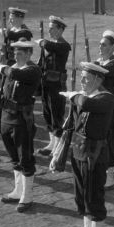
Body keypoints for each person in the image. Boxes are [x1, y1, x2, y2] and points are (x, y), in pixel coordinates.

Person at [51, 62, 114, 227]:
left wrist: (73, 96)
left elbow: (88, 104)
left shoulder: (106, 99)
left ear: (98, 80)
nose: (83, 81)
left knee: (94, 196)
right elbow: (73, 125)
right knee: (82, 195)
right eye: (82, 78)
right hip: (79, 151)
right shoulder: (83, 98)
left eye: (87, 78)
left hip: (94, 155)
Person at [0, 40, 42, 212]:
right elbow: (3, 92)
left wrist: (3, 69)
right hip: (7, 117)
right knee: (14, 156)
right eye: (14, 52)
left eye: (20, 53)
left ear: (29, 54)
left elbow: (16, 75)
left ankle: (27, 195)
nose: (16, 55)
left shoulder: (33, 70)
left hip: (22, 119)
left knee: (25, 157)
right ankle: (18, 190)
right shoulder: (12, 68)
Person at [36, 16, 71, 157]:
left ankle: (58, 146)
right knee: (47, 113)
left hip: (57, 84)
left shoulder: (64, 45)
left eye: (52, 28)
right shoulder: (47, 44)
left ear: (60, 29)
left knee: (56, 114)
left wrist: (44, 43)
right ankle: (52, 143)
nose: (49, 30)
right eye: (49, 28)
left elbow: (54, 47)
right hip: (46, 83)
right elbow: (41, 63)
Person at [96, 30, 114, 189]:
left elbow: (102, 73)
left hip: (111, 107)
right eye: (100, 44)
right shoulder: (98, 61)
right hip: (98, 104)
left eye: (104, 44)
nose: (100, 46)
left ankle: (110, 174)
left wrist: (92, 65)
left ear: (112, 47)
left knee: (109, 139)